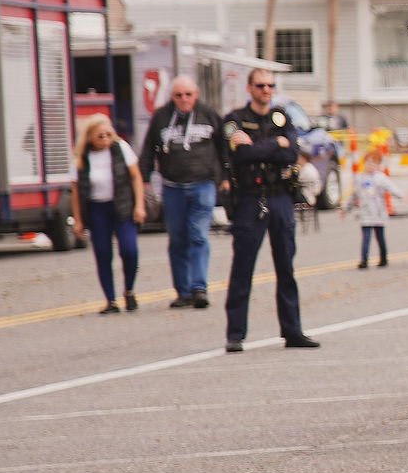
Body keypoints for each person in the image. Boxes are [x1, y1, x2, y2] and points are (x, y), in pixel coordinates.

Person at [221, 68, 318, 353]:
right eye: (260, 85)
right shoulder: (234, 120)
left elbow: (291, 153)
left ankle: (293, 330)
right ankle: (235, 333)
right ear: (249, 88)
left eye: (270, 85)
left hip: (280, 197)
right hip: (250, 199)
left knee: (286, 266)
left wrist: (266, 146)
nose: (266, 90)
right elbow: (239, 155)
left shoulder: (282, 116)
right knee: (243, 268)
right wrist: (275, 144)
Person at [140, 76, 221, 309]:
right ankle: (183, 291)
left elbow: (223, 147)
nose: (184, 99)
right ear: (172, 97)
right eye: (178, 95)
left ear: (196, 94)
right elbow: (148, 149)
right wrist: (145, 179)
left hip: (203, 184)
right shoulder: (162, 117)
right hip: (173, 186)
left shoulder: (208, 114)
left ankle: (199, 287)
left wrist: (224, 177)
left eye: (188, 94)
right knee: (177, 239)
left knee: (198, 234)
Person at [71, 115, 145, 314]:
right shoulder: (81, 157)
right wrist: (78, 220)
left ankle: (129, 290)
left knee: (129, 250)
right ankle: (110, 301)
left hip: (122, 205)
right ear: (89, 138)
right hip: (97, 209)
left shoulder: (122, 149)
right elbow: (76, 191)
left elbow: (136, 177)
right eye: (99, 135)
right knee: (103, 253)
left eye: (108, 134)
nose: (105, 138)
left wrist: (139, 206)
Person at [346, 148, 392, 268]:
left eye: (373, 163)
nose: (370, 165)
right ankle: (364, 260)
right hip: (366, 213)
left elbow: (391, 188)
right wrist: (346, 208)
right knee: (366, 238)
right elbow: (354, 195)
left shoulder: (381, 178)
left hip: (378, 213)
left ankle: (383, 258)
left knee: (380, 238)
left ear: (378, 165)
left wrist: (402, 195)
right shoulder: (360, 178)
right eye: (368, 162)